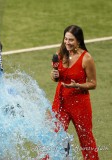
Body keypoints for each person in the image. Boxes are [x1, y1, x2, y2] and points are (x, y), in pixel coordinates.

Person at [50, 25, 99, 160]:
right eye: (65, 39)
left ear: (78, 41)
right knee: (55, 135)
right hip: (60, 101)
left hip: (80, 104)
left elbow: (93, 83)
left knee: (86, 138)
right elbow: (55, 78)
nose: (67, 42)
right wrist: (54, 75)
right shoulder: (60, 53)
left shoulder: (86, 58)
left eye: (71, 40)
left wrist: (78, 85)